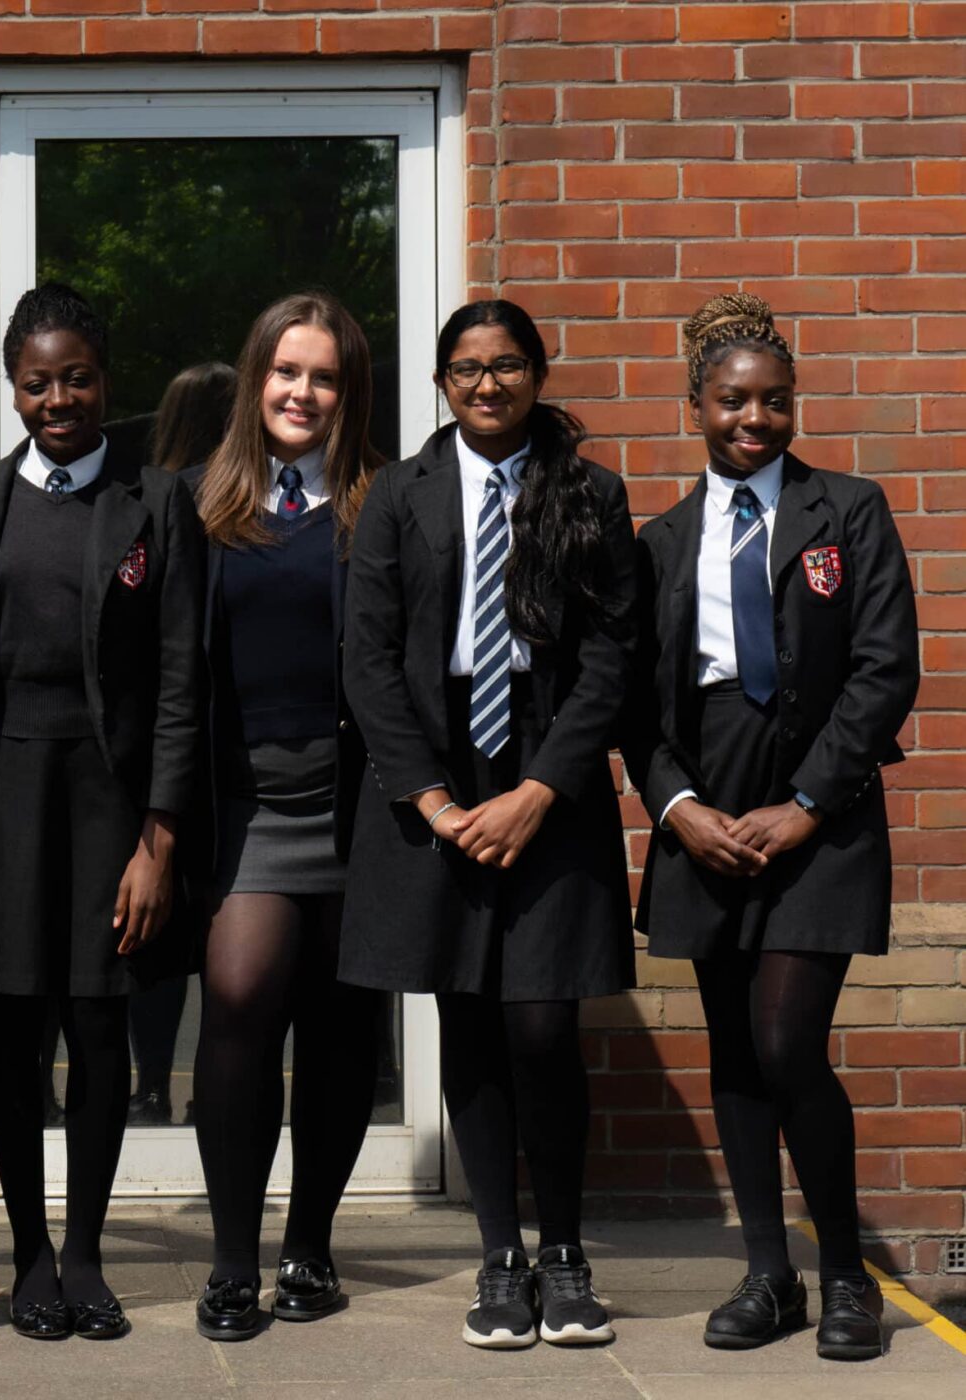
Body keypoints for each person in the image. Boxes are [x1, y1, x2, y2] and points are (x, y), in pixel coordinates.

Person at [623, 293, 918, 1362]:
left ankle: (847, 1272)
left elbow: (886, 669)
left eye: (776, 401)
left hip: (818, 817)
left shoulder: (850, 509)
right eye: (735, 400)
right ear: (695, 405)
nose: (756, 417)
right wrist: (681, 809)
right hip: (704, 818)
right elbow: (635, 706)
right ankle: (768, 1275)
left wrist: (802, 807)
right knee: (738, 1052)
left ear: (795, 407)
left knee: (791, 1039)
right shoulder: (657, 541)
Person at [340, 299, 637, 1350]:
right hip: (436, 781)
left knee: (543, 1024)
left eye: (507, 364)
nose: (487, 384)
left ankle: (566, 1251)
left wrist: (541, 789)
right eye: (466, 368)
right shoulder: (395, 495)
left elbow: (612, 656)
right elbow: (367, 658)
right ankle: (500, 1257)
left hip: (545, 776)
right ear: (442, 382)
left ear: (537, 374)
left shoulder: (592, 493)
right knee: (467, 1017)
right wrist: (432, 798)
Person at [0, 284, 204, 1341]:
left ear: (106, 378)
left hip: (112, 797)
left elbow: (186, 676)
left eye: (76, 377)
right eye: (36, 381)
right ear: (13, 387)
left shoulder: (159, 503)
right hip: (1, 793)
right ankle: (28, 1253)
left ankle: (89, 1250)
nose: (58, 397)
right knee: (13, 1026)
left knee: (100, 1024)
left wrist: (159, 837)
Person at [183, 295, 385, 1340]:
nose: (302, 393)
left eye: (324, 377)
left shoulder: (380, 505)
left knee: (345, 1028)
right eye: (285, 372)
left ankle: (309, 1243)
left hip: (358, 806)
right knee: (242, 998)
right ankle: (230, 1261)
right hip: (247, 805)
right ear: (255, 380)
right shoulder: (194, 505)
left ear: (348, 394)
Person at [128, 360, 237, 1126]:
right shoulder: (226, 501)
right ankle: (213, 1086)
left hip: (163, 748)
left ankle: (150, 1085)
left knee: (156, 929)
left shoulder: (150, 501)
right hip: (230, 747)